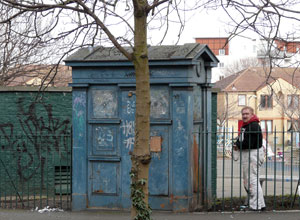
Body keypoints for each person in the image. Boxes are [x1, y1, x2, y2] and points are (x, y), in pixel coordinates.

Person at [234, 106, 266, 211]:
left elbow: (249, 143)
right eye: (243, 114)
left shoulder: (253, 126)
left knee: (252, 181)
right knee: (252, 180)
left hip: (252, 156)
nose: (244, 116)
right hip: (250, 155)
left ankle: (255, 206)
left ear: (252, 115)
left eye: (247, 114)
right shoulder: (248, 125)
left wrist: (238, 144)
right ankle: (260, 205)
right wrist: (239, 143)